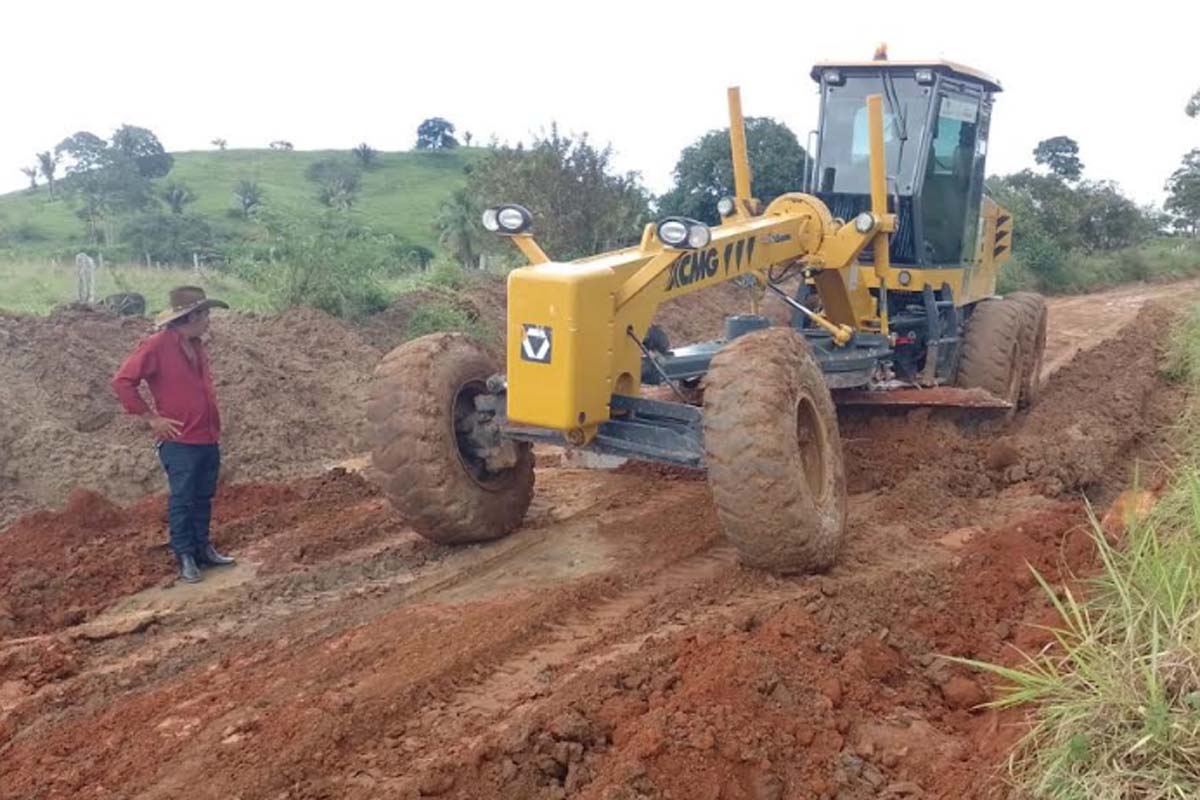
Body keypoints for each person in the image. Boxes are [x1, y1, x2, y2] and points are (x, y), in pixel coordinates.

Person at [111, 286, 235, 583]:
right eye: (205, 314)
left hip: (206, 436)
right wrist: (151, 418)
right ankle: (185, 556)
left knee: (204, 496)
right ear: (191, 315)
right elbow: (123, 382)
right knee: (183, 498)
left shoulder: (197, 345)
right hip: (180, 440)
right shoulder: (156, 345)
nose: (208, 320)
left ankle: (203, 549)